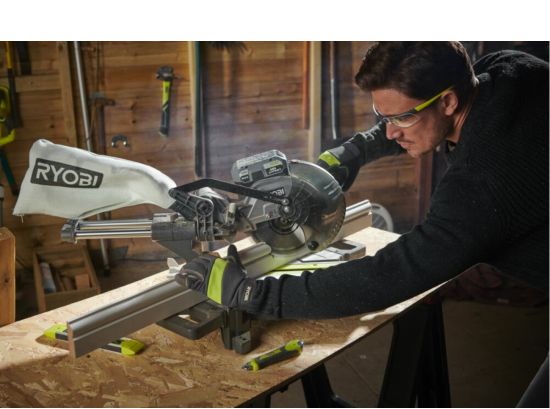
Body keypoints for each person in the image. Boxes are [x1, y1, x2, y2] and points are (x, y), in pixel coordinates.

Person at [177, 42, 548, 321]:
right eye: (382, 116)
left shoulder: (481, 183)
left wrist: (252, 294)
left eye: (401, 118)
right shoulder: (507, 69)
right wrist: (357, 151)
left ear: (448, 102)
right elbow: (417, 120)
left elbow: (392, 275)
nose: (391, 131)